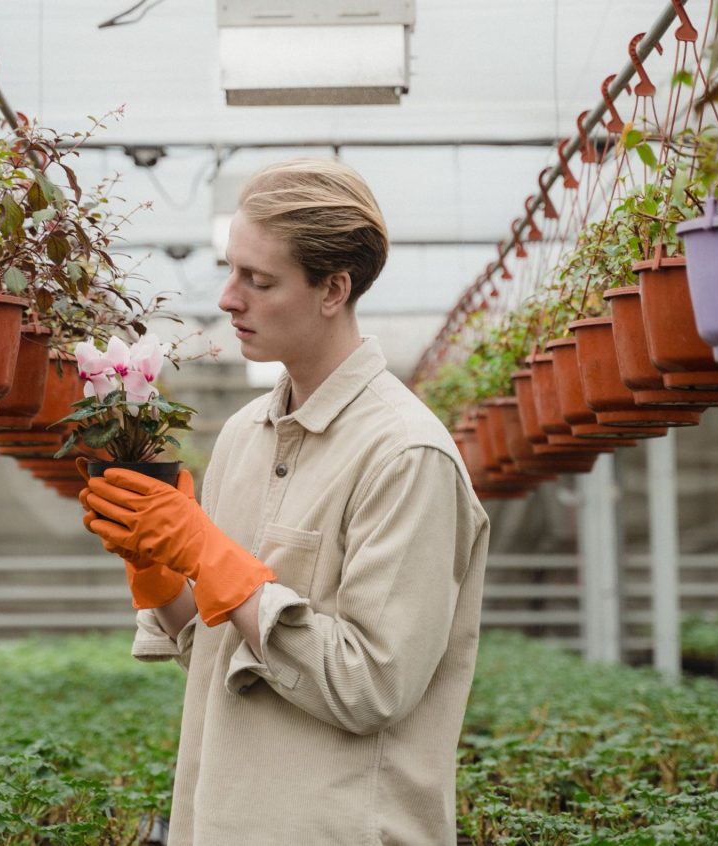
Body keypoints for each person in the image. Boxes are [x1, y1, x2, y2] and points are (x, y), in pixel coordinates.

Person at [79, 158, 490, 845]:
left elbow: (370, 686)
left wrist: (209, 554)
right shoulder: (243, 436)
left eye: (257, 280)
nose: (227, 298)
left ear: (333, 289)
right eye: (231, 269)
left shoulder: (406, 456)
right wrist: (156, 569)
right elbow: (221, 654)